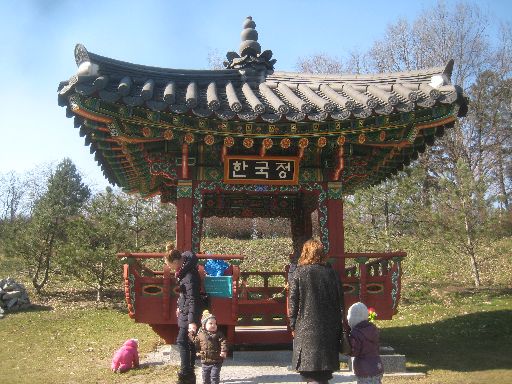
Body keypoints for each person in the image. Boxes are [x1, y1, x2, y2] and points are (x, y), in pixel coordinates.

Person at [288, 239, 344, 384]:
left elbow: (293, 303)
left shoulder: (299, 273)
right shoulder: (332, 273)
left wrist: (292, 324)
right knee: (323, 373)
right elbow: (340, 303)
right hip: (329, 329)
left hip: (305, 329)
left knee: (311, 373)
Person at [170, 249, 202, 384]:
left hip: (190, 312)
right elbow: (184, 293)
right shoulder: (185, 270)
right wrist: (179, 305)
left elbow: (193, 298)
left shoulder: (188, 274)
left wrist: (192, 321)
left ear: (176, 261)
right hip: (185, 309)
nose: (170, 268)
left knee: (183, 341)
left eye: (170, 265)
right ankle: (189, 374)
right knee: (188, 342)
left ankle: (186, 374)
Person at [347, 302, 384, 384]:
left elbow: (354, 351)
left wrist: (346, 348)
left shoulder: (356, 333)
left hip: (363, 368)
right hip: (377, 365)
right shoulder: (373, 329)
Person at [190, 310, 228, 384]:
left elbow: (224, 342)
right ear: (204, 325)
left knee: (214, 376)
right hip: (205, 361)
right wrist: (191, 333)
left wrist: (223, 351)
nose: (213, 325)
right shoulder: (200, 334)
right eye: (210, 323)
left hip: (216, 360)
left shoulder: (219, 334)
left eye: (215, 323)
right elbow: (195, 341)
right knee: (205, 377)